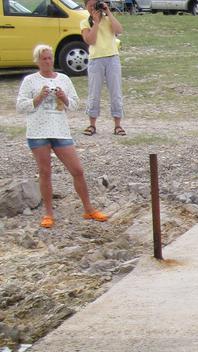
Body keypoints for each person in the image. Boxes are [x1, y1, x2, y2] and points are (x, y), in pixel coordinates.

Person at [16, 45, 109, 229]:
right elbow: (20, 106)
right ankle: (48, 213)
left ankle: (88, 208)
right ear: (38, 61)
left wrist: (63, 97)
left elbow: (74, 105)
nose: (48, 61)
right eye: (44, 59)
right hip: (38, 132)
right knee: (45, 172)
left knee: (77, 170)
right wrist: (38, 98)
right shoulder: (30, 80)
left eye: (50, 58)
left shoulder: (64, 78)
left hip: (60, 130)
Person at [80, 0, 126, 136]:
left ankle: (118, 125)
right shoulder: (85, 22)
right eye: (90, 5)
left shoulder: (108, 19)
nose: (94, 8)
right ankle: (92, 124)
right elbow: (90, 40)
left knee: (116, 93)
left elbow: (119, 30)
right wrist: (96, 23)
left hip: (112, 57)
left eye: (96, 4)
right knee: (94, 93)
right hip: (95, 59)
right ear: (86, 6)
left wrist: (108, 12)